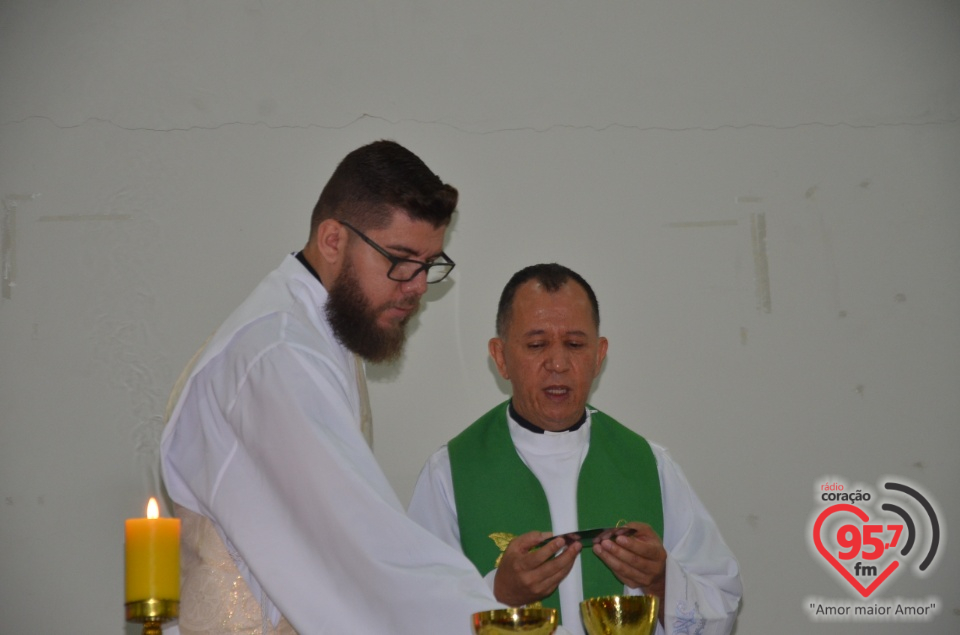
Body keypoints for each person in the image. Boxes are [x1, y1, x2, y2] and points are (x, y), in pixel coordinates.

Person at [160, 140, 520, 634]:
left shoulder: (314, 332)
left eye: (429, 265)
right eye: (400, 259)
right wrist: (500, 626)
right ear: (332, 240)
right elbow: (364, 551)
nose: (417, 286)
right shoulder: (279, 353)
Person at [408, 263, 743, 635]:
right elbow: (413, 614)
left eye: (575, 344)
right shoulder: (451, 473)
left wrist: (662, 582)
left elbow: (721, 605)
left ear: (599, 356)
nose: (557, 363)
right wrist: (498, 593)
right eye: (536, 345)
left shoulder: (648, 465)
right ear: (501, 357)